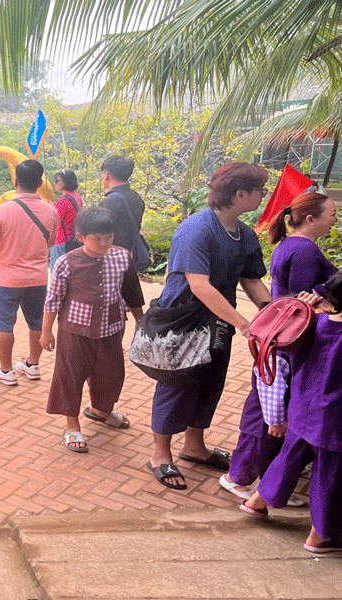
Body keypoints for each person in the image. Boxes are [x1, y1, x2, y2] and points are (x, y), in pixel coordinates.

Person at [146, 163, 272, 490]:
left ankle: (194, 446)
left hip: (218, 323)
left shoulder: (244, 234)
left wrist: (274, 314)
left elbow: (251, 280)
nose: (263, 195)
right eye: (260, 190)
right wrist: (244, 324)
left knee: (210, 383)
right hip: (184, 322)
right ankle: (160, 455)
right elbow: (199, 286)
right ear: (240, 194)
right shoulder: (197, 230)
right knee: (176, 384)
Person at [221, 192, 338, 499]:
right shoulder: (304, 252)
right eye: (332, 214)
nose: (335, 219)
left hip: (277, 339)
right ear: (311, 219)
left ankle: (254, 476)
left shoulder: (292, 244)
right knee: (270, 416)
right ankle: (244, 478)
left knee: (265, 410)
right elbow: (301, 302)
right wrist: (324, 299)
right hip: (288, 345)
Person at [241, 279, 342, 554]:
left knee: (289, 457)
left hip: (302, 407)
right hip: (333, 421)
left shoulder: (314, 324)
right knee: (329, 474)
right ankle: (320, 535)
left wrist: (304, 308)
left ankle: (258, 502)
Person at [41, 208, 145, 452]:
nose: (104, 243)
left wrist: (141, 322)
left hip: (111, 327)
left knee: (111, 374)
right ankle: (72, 424)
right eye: (97, 238)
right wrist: (46, 331)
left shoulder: (122, 257)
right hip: (75, 329)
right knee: (70, 376)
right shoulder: (66, 262)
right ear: (81, 237)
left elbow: (132, 291)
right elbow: (53, 299)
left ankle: (101, 411)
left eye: (108, 237)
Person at [0, 159, 58, 386]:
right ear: (39, 184)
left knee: (4, 325)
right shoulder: (51, 210)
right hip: (37, 278)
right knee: (36, 322)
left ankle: (6, 371)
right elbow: (50, 243)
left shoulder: (1, 211)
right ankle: (33, 365)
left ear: (15, 181)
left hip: (6, 280)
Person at [99, 156, 145, 254]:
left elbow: (99, 233)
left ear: (106, 175)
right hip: (130, 254)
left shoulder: (110, 201)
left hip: (112, 256)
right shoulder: (135, 197)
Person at [49, 168, 83, 266]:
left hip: (61, 241)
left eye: (57, 181)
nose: (55, 183)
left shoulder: (63, 201)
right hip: (73, 239)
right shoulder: (76, 196)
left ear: (66, 182)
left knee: (57, 270)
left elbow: (54, 221)